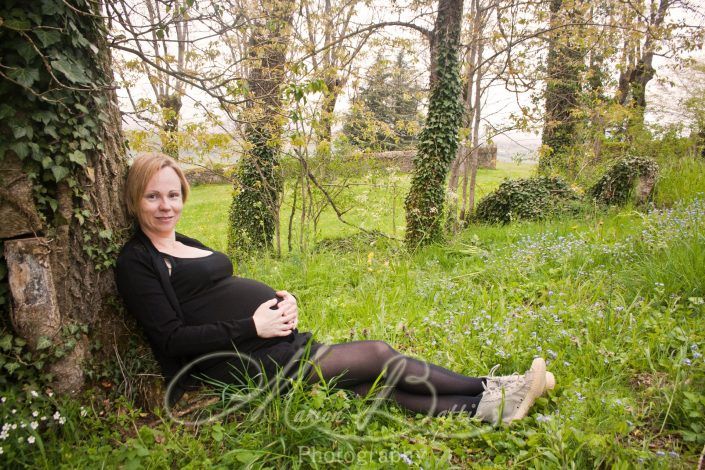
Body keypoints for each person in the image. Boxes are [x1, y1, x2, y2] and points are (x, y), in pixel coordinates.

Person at [115, 152, 555, 426]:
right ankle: (493, 387)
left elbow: (217, 288)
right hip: (237, 361)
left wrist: (281, 302)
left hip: (264, 341)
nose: (166, 206)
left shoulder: (182, 242)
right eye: (153, 197)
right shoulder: (136, 261)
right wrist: (254, 323)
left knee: (371, 387)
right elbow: (172, 338)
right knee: (378, 356)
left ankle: (490, 408)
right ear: (136, 198)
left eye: (173, 195)